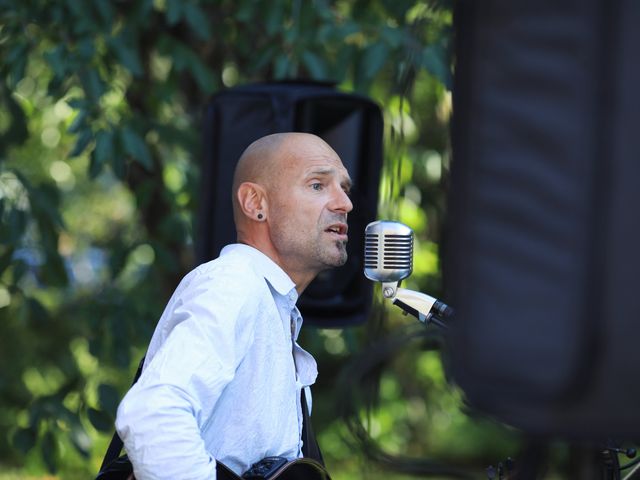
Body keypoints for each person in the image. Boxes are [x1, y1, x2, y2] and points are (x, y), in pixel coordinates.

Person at [115, 132, 353, 479]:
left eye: (345, 189)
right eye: (318, 185)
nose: (344, 203)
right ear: (256, 203)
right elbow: (152, 413)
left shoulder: (271, 307)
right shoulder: (232, 284)